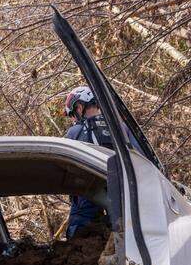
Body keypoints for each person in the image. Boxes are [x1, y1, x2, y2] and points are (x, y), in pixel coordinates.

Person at [62, 86, 146, 238]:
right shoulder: (122, 128)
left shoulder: (75, 132)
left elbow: (66, 170)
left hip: (88, 199)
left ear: (79, 107)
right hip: (126, 196)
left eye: (72, 115)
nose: (73, 120)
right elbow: (142, 159)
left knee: (77, 236)